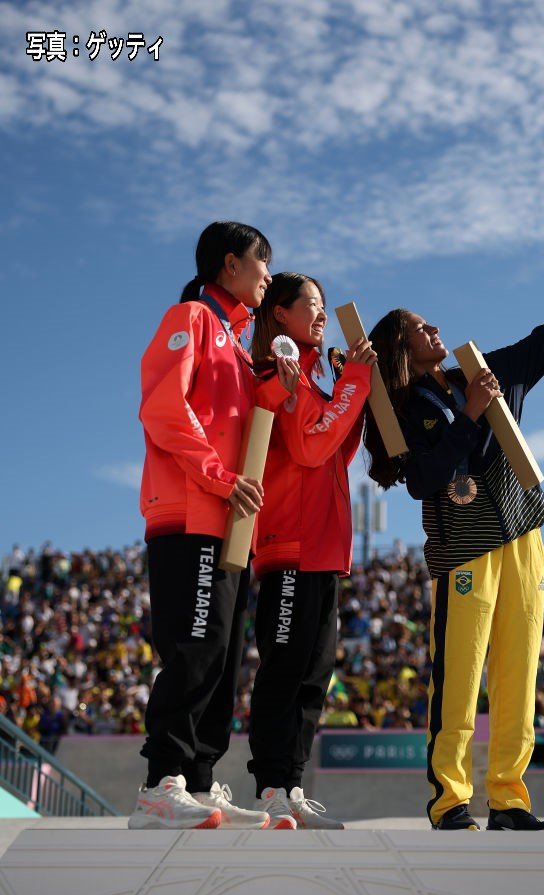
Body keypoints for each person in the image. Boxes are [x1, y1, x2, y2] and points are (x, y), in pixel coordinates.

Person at [364, 217, 544, 832]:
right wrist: (470, 416)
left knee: (518, 674)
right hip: (464, 548)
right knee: (458, 679)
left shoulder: (479, 373)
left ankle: (509, 798)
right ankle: (449, 799)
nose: (436, 329)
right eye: (420, 326)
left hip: (523, 536)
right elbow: (423, 479)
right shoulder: (403, 410)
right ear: (401, 348)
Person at [129, 222, 300, 831]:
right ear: (229, 264)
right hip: (191, 512)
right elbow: (163, 407)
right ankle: (160, 784)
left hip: (228, 519)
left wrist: (278, 393)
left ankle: (197, 781)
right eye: (262, 262)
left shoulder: (234, 339)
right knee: (195, 648)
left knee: (224, 657)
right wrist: (220, 478)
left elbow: (239, 417)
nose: (268, 275)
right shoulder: (193, 318)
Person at [246, 272, 375, 828]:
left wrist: (350, 389)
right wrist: (354, 388)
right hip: (291, 545)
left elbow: (334, 454)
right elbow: (306, 445)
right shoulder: (281, 368)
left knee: (313, 674)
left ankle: (291, 789)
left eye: (323, 306)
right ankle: (272, 788)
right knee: (285, 670)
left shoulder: (316, 378)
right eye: (312, 305)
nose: (321, 315)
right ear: (280, 313)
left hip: (323, 549)